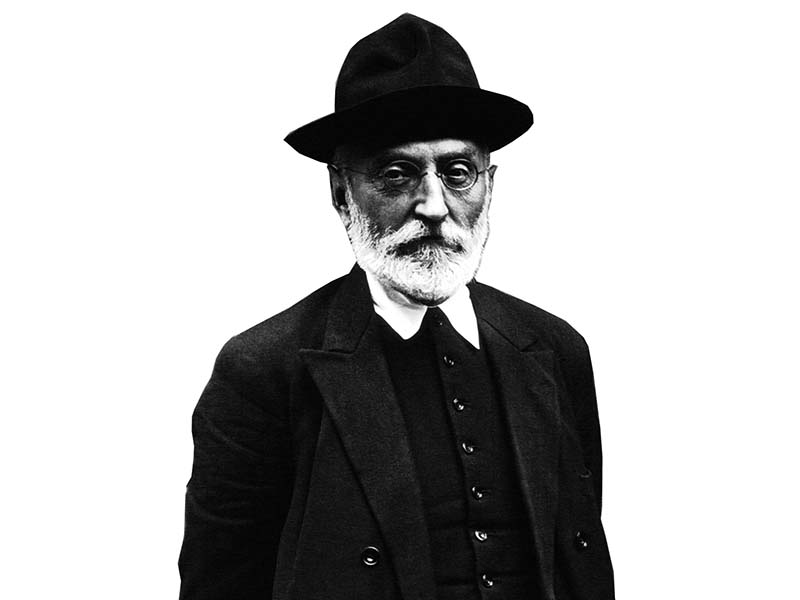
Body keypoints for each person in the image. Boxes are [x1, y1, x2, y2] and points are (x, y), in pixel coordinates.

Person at [178, 13, 615, 600]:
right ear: (341, 193)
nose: (433, 205)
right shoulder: (263, 369)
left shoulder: (554, 349)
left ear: (490, 185)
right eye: (396, 174)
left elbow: (581, 564)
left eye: (457, 173)